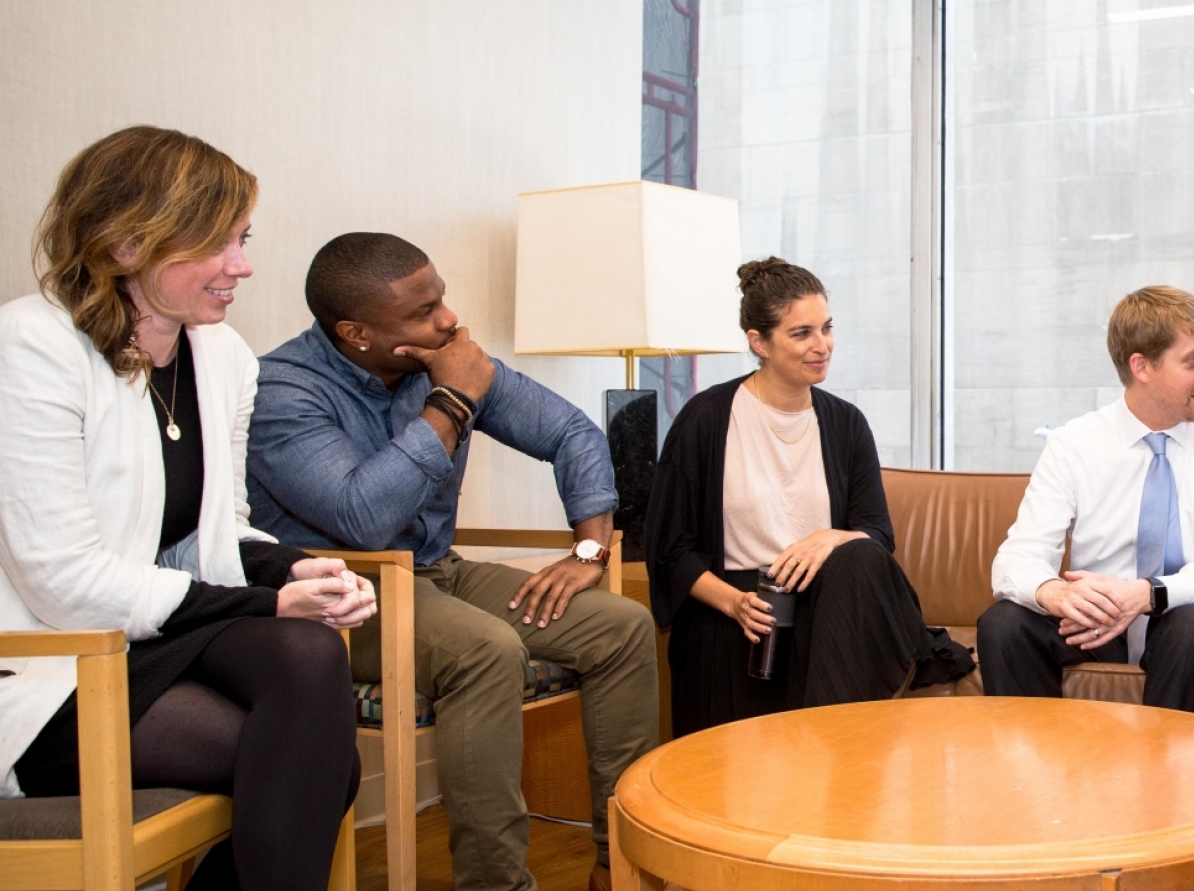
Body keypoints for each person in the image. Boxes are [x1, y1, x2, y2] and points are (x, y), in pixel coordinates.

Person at [0, 126, 371, 890]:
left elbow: (221, 528)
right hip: (48, 669)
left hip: (146, 641)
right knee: (320, 759)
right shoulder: (30, 345)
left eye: (242, 238)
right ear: (128, 245)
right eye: (218, 243)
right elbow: (60, 580)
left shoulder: (222, 355)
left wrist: (299, 568)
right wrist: (270, 598)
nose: (243, 265)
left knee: (307, 659)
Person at [245, 232, 657, 891]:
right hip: (338, 598)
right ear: (354, 331)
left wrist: (589, 547)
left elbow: (572, 431)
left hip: (435, 571)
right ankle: (496, 884)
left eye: (441, 298)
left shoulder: (447, 357)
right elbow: (363, 518)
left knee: (620, 625)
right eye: (421, 311)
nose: (446, 321)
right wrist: (453, 402)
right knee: (484, 649)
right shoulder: (283, 392)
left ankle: (623, 866)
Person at [646, 257, 970, 736]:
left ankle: (827, 754)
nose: (823, 346)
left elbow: (877, 534)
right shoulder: (705, 420)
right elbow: (671, 551)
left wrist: (829, 539)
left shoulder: (846, 423)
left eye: (827, 328)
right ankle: (818, 754)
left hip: (826, 603)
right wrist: (735, 603)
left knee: (859, 557)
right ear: (759, 342)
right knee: (721, 642)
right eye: (802, 334)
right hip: (733, 608)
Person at [980, 285, 1194, 715]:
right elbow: (1016, 559)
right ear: (1142, 367)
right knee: (1004, 624)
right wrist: (1053, 592)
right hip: (1100, 626)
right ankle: (1037, 779)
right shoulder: (1073, 444)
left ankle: (1163, 782)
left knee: (1192, 627)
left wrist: (1148, 594)